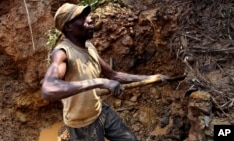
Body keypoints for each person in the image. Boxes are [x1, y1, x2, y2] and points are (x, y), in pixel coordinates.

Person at [41, 3, 168, 141]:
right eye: (81, 17)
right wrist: (100, 82)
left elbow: (114, 75)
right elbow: (48, 89)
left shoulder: (89, 47)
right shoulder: (63, 53)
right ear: (68, 27)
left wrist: (151, 77)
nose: (89, 20)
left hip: (100, 111)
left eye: (86, 15)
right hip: (82, 125)